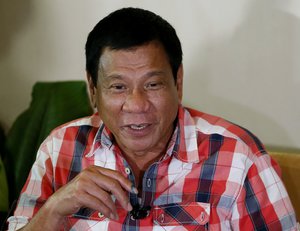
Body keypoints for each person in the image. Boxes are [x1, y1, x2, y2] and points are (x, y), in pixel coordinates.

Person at [7, 7, 297, 231]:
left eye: (153, 84)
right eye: (118, 87)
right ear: (93, 90)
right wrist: (54, 210)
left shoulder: (239, 157)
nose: (136, 105)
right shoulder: (60, 148)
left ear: (178, 82)